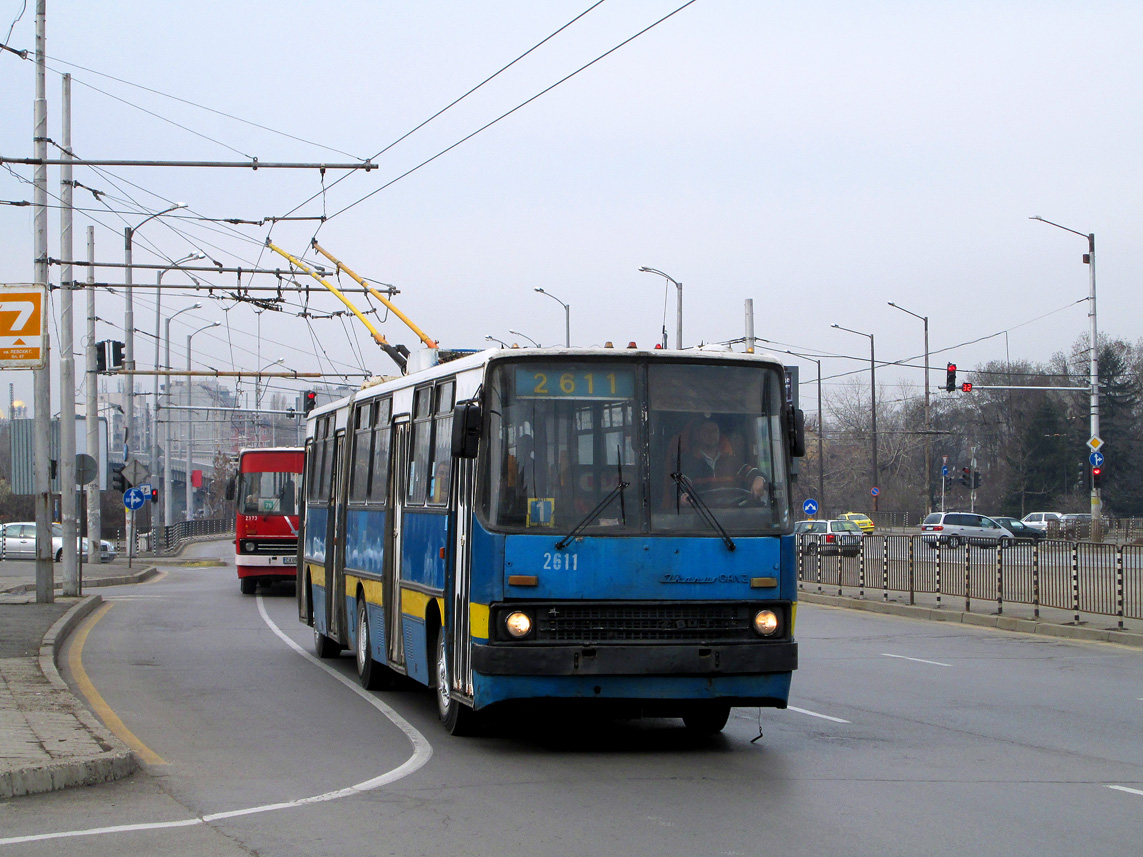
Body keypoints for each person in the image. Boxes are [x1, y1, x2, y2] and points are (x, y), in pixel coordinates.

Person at [675, 419, 766, 504]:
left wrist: (759, 479)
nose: (711, 434)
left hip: (732, 513)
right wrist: (683, 495)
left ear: (719, 434)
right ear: (698, 435)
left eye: (714, 431)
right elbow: (680, 485)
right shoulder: (689, 462)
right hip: (701, 514)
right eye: (706, 431)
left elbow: (753, 473)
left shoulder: (731, 461)